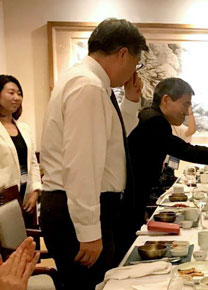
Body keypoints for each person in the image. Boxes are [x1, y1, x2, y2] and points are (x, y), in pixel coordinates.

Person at [39, 18, 147, 290]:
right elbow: (81, 164)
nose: (134, 70)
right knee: (89, 286)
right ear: (123, 53)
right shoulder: (88, 86)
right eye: (136, 63)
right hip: (76, 209)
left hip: (79, 205)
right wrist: (88, 231)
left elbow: (111, 142)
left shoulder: (89, 83)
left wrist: (131, 102)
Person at [120, 77, 208, 252]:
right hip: (128, 201)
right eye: (185, 104)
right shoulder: (155, 121)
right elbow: (186, 151)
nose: (187, 111)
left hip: (136, 197)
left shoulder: (151, 116)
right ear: (166, 100)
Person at [0, 75, 41, 226]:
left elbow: (33, 163)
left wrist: (36, 191)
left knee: (28, 246)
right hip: (4, 201)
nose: (17, 97)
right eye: (11, 93)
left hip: (26, 200)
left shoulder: (24, 129)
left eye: (19, 93)